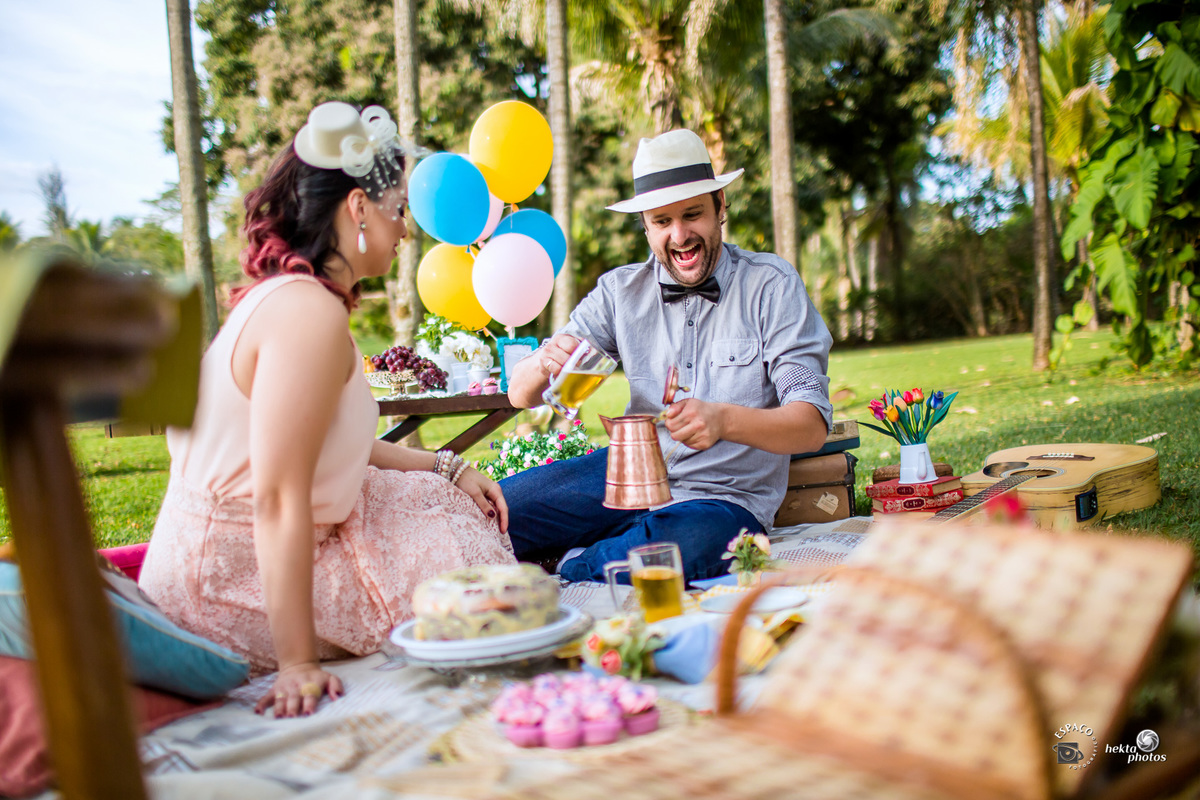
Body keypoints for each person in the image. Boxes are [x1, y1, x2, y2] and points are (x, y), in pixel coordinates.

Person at [139, 102, 514, 718]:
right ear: (358, 209)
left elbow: (333, 443)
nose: (404, 232)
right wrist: (297, 666)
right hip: (228, 581)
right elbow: (278, 496)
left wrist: (447, 466)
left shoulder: (304, 303)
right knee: (457, 562)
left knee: (441, 507)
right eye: (397, 212)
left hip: (270, 542)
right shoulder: (305, 313)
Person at [502, 129, 833, 584]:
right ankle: (611, 546)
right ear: (646, 226)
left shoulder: (771, 286)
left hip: (724, 498)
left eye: (692, 214)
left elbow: (811, 423)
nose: (680, 235)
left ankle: (565, 563)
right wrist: (543, 362)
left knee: (686, 543)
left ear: (720, 207)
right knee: (496, 511)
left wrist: (723, 420)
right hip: (626, 476)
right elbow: (521, 396)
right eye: (662, 221)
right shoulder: (620, 292)